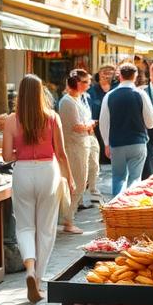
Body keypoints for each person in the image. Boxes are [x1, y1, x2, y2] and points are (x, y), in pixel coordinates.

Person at [2, 74, 74, 303]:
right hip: (48, 172)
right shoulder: (52, 117)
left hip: (22, 172)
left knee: (24, 227)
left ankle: (30, 269)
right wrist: (70, 178)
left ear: (20, 94)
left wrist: (21, 152)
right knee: (46, 229)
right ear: (40, 92)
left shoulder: (11, 120)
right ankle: (39, 280)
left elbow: (5, 156)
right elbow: (61, 153)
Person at [98, 62, 153, 196]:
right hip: (137, 142)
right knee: (135, 178)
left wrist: (107, 143)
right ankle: (131, 208)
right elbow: (151, 122)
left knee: (118, 178)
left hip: (117, 143)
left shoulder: (109, 96)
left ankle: (116, 208)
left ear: (120, 76)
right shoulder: (141, 94)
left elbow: (104, 122)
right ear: (135, 76)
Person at [57, 68, 95, 234]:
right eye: (86, 82)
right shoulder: (67, 101)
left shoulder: (78, 99)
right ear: (78, 83)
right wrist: (90, 126)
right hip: (74, 147)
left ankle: (68, 218)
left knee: (81, 182)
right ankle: (68, 221)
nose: (89, 85)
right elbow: (76, 126)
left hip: (82, 145)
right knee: (77, 184)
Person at [87, 65, 115, 171]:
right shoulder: (91, 91)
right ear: (98, 74)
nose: (106, 75)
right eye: (103, 72)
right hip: (96, 130)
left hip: (114, 130)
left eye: (109, 72)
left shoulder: (117, 89)